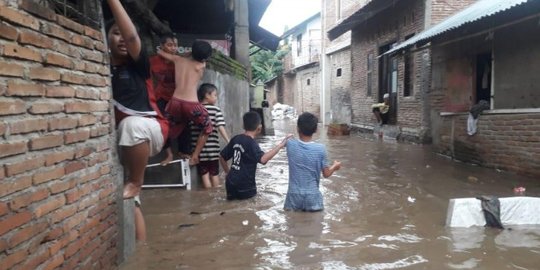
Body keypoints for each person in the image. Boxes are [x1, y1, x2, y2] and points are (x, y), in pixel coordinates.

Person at [106, 0, 168, 199]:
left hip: (149, 129)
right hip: (127, 141)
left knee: (131, 125)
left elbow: (131, 37)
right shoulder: (103, 67)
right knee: (134, 207)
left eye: (124, 33)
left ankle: (136, 182)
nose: (123, 38)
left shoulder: (138, 65)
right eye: (116, 33)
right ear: (105, 38)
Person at [157, 41, 213, 165]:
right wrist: (192, 53)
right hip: (191, 105)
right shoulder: (201, 65)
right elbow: (200, 58)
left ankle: (169, 155)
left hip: (175, 102)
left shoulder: (177, 60)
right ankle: (194, 156)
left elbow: (159, 52)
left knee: (165, 127)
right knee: (207, 128)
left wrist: (186, 53)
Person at [220, 112, 291, 200]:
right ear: (259, 128)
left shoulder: (236, 139)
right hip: (245, 185)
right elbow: (263, 160)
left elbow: (222, 157)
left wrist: (228, 173)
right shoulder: (252, 143)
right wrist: (281, 145)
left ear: (243, 125)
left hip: (230, 182)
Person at [284, 112, 341, 212]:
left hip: (293, 195)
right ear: (315, 130)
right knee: (315, 226)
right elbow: (326, 174)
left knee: (292, 225)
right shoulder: (320, 149)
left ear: (298, 129)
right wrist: (335, 166)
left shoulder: (290, 144)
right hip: (312, 196)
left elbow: (288, 139)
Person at [191, 83, 230, 188]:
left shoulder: (195, 111)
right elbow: (221, 127)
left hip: (200, 152)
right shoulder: (216, 110)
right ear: (207, 95)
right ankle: (214, 195)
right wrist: (228, 141)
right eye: (215, 95)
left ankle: (208, 193)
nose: (216, 98)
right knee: (214, 174)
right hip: (213, 151)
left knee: (205, 175)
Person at [149, 34, 179, 165]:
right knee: (161, 125)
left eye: (175, 45)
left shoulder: (179, 62)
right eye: (170, 45)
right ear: (161, 46)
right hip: (158, 97)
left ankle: (185, 153)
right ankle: (169, 154)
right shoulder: (153, 61)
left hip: (176, 98)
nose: (173, 48)